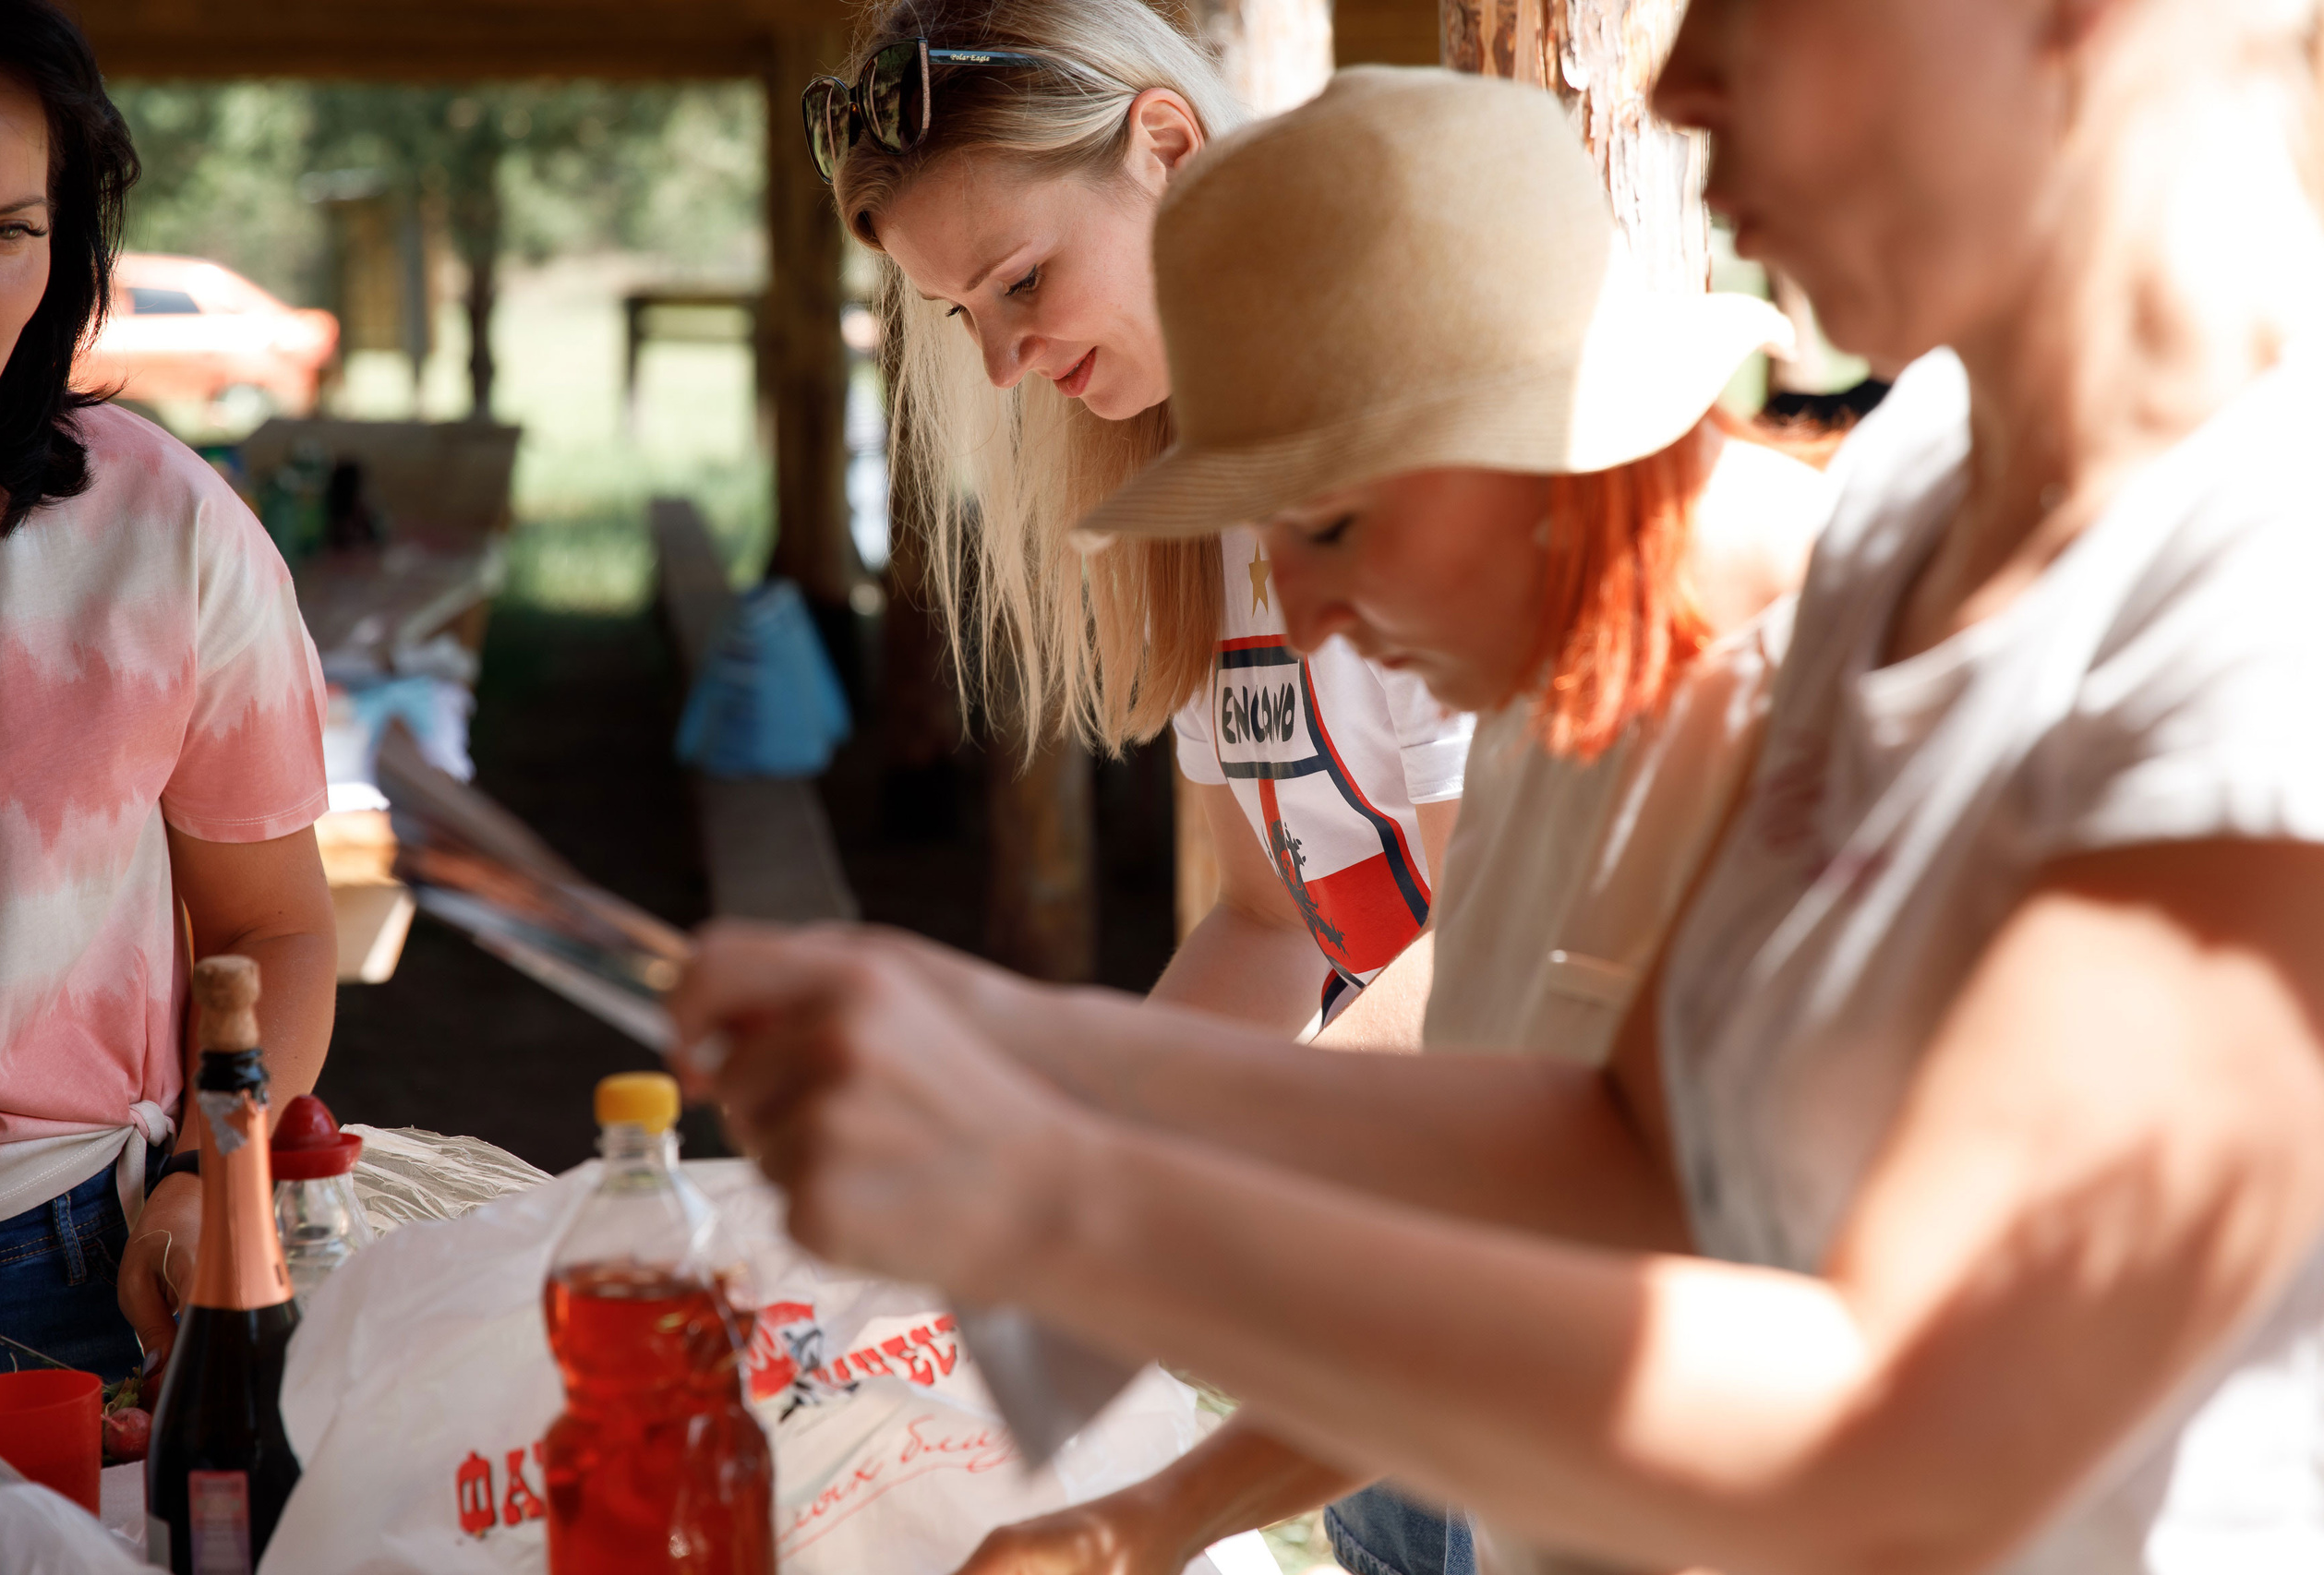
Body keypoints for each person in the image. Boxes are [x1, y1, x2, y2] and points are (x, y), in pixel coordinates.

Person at [680, 12, 2324, 1571]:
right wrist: (1017, 1053)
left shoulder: (2244, 598)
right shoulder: (1901, 536)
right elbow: (1621, 1161)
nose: (1678, 84)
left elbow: (1913, 1410)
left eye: (1329, 524)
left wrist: (1075, 1194)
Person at [814, 0, 1467, 1055]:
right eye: (961, 311)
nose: (1000, 363)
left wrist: (1128, 1166)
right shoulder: (1199, 495)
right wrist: (1077, 1115)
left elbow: (1502, 948)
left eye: (1022, 280)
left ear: (1166, 147)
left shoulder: (1416, 440)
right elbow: (1270, 925)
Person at [0, 3, 335, 1385]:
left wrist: (203, 1176)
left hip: (65, 1268)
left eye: (10, 229)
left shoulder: (159, 528)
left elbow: (275, 927)